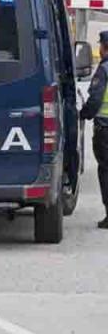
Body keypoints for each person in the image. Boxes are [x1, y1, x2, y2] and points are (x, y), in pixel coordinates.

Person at [80, 31, 108, 229]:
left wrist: (84, 114)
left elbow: (96, 98)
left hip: (105, 129)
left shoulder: (104, 69)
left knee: (106, 171)